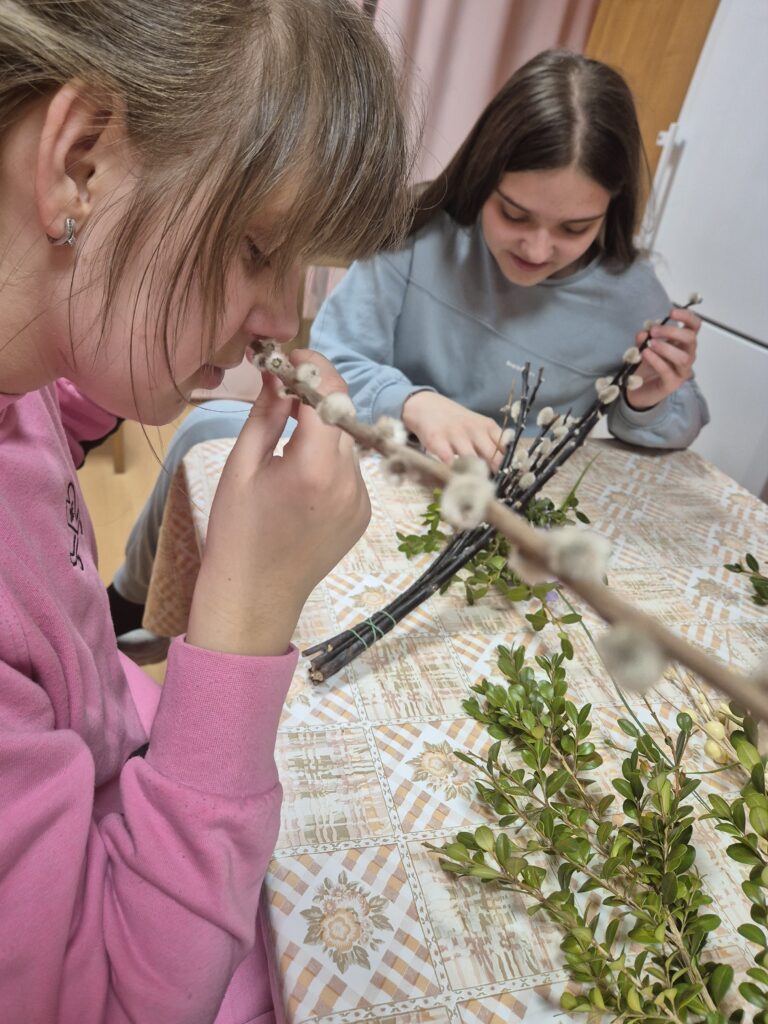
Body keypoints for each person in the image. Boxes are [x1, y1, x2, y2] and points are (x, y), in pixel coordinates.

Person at [0, 2, 411, 1022]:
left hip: (118, 755)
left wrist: (95, 378)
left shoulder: (21, 369)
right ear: (82, 162)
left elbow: (43, 426)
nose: (283, 319)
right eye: (257, 247)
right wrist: (243, 612)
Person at [108, 48, 708, 662]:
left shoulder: (632, 294)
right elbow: (332, 360)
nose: (536, 247)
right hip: (382, 461)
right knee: (206, 426)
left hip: (505, 522)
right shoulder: (416, 231)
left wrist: (648, 400)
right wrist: (413, 402)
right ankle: (128, 601)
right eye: (514, 214)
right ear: (483, 176)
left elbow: (678, 425)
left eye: (574, 229)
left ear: (612, 210)